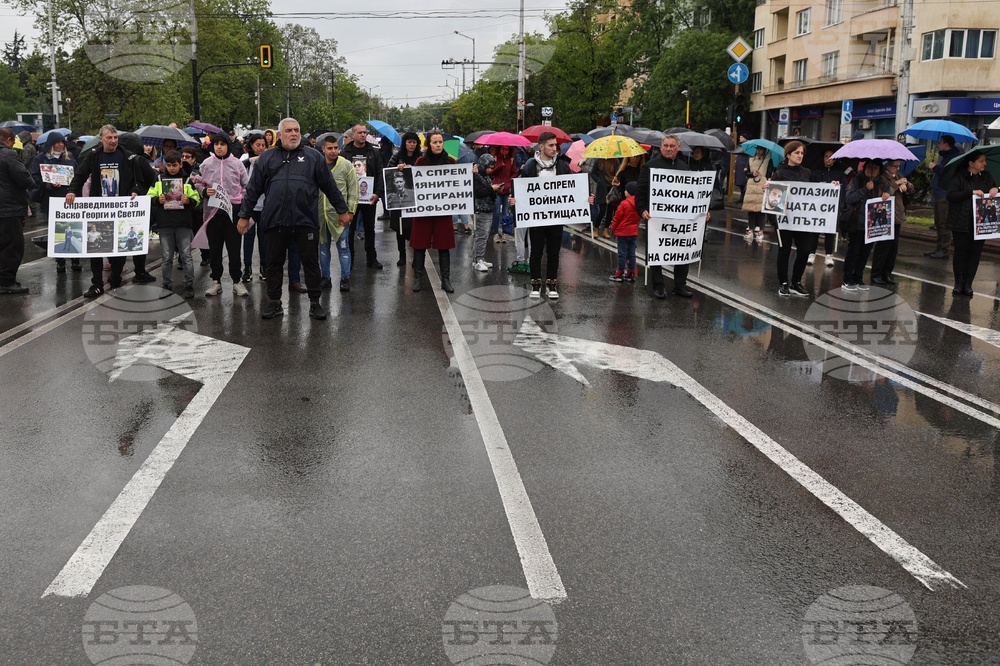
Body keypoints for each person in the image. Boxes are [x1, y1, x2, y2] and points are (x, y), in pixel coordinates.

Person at [236, 118, 350, 320]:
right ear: (280, 135)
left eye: (297, 130)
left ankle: (315, 303)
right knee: (274, 263)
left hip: (304, 220)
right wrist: (244, 215)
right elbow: (253, 190)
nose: (294, 134)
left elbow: (330, 187)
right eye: (289, 130)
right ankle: (275, 302)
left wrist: (343, 210)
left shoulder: (313, 157)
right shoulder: (267, 158)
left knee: (310, 263)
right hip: (274, 221)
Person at [66, 125, 157, 298]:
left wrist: (135, 191)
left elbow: (138, 181)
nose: (113, 141)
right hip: (99, 210)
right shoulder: (93, 156)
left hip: (120, 210)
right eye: (109, 138)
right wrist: (71, 191)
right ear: (101, 139)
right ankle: (97, 284)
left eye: (115, 137)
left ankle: (115, 279)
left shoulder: (127, 156)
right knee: (97, 248)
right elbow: (80, 176)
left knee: (118, 248)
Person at [513, 131, 594, 299]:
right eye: (551, 145)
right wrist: (515, 201)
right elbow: (521, 188)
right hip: (536, 218)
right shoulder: (530, 165)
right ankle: (535, 285)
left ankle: (552, 285)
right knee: (536, 252)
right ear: (541, 146)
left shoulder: (562, 166)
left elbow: (572, 187)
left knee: (554, 252)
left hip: (556, 217)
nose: (554, 148)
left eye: (555, 145)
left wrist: (585, 199)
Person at [635, 134, 695, 299]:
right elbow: (640, 192)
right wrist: (642, 209)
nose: (669, 149)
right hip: (656, 219)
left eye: (672, 146)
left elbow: (693, 194)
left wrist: (702, 211)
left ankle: (680, 285)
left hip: (680, 219)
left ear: (678, 148)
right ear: (661, 148)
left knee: (683, 250)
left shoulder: (685, 168)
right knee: (657, 251)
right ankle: (658, 286)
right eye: (666, 146)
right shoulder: (650, 166)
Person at [193, 133, 249, 298]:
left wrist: (242, 206)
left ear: (228, 146)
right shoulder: (206, 164)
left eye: (222, 144)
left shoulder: (237, 164)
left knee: (234, 248)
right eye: (216, 144)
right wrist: (204, 191)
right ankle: (216, 281)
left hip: (234, 211)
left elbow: (246, 186)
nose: (219, 147)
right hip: (213, 212)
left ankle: (237, 281)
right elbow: (198, 182)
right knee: (215, 249)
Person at [410, 131, 457, 293]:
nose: (438, 145)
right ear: (428, 145)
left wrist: (470, 173)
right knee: (419, 244)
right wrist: (403, 170)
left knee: (444, 244)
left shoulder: (450, 162)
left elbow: (459, 184)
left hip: (443, 210)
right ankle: (418, 278)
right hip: (424, 210)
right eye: (435, 142)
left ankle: (446, 279)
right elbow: (411, 181)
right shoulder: (421, 162)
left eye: (440, 142)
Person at [148, 151, 200, 298]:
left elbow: (197, 200)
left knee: (186, 256)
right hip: (165, 223)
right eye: (169, 165)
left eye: (174, 165)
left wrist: (188, 201)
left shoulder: (187, 181)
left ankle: (189, 285)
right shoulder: (159, 179)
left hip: (184, 223)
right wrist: (158, 200)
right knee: (166, 257)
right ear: (165, 165)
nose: (171, 168)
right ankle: (166, 285)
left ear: (180, 164)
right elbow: (149, 196)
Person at [947, 150, 998, 296]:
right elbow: (951, 195)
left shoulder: (986, 177)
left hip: (980, 223)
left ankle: (968, 283)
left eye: (985, 161)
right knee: (961, 252)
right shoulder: (959, 177)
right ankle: (958, 283)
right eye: (981, 161)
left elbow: (993, 191)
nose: (984, 164)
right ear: (971, 163)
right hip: (961, 221)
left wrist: (995, 188)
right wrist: (970, 192)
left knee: (975, 253)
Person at [30, 132, 80, 274]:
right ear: (51, 144)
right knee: (56, 231)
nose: (60, 145)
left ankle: (75, 259)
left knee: (73, 227)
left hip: (69, 199)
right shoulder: (41, 158)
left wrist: (73, 188)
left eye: (62, 142)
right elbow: (35, 177)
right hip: (51, 199)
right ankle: (60, 261)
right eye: (57, 142)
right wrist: (48, 185)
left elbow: (76, 175)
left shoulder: (69, 158)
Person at [770, 141, 815, 297]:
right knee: (784, 251)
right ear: (788, 155)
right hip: (784, 219)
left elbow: (817, 192)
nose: (800, 156)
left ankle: (796, 282)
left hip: (802, 220)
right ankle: (783, 283)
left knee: (804, 251)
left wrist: (832, 186)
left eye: (802, 153)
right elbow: (772, 197)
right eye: (797, 153)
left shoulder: (807, 173)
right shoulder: (779, 173)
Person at [317, 133, 358, 292]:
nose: (333, 151)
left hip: (340, 215)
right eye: (330, 148)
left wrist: (351, 212)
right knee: (323, 247)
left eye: (336, 148)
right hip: (321, 215)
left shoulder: (346, 165)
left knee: (343, 247)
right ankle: (325, 277)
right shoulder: (317, 164)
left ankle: (345, 278)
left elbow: (353, 190)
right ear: (323, 149)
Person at [340, 123, 385, 269]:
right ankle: (350, 258)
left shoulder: (373, 151)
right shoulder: (345, 152)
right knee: (350, 230)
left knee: (369, 229)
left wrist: (377, 193)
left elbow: (379, 173)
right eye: (360, 133)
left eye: (365, 132)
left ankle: (372, 258)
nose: (363, 135)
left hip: (369, 197)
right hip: (351, 198)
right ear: (353, 135)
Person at [842, 159, 889, 291]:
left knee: (865, 253)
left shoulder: (882, 182)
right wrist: (864, 189)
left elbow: (887, 197)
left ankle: (858, 276)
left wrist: (886, 195)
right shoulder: (857, 180)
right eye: (869, 167)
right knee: (853, 251)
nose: (871, 170)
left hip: (873, 224)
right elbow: (849, 198)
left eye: (874, 167)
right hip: (857, 222)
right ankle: (847, 278)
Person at [0, 127, 33, 294]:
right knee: (13, 245)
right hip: (9, 207)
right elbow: (24, 178)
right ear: (9, 140)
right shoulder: (8, 154)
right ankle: (7, 281)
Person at [871, 159, 909, 286]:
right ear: (888, 165)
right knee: (883, 246)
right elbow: (885, 193)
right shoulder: (882, 177)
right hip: (885, 215)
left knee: (893, 248)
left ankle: (887, 273)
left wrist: (906, 185)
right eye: (895, 166)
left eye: (899, 166)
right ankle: (876, 273)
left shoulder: (899, 175)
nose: (897, 168)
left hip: (897, 215)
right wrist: (896, 184)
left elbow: (912, 189)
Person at [239, 132, 268, 282]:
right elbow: (239, 171)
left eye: (263, 145)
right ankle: (247, 267)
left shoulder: (268, 159)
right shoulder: (244, 159)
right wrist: (251, 161)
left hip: (264, 205)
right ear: (251, 145)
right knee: (248, 238)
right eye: (258, 145)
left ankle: (264, 266)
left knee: (264, 239)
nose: (261, 148)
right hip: (249, 206)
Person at [808, 150, 845, 268]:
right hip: (817, 206)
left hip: (832, 208)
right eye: (826, 156)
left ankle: (829, 255)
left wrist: (838, 186)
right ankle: (811, 253)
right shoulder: (816, 172)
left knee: (830, 232)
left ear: (835, 159)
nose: (828, 159)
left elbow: (844, 190)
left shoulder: (839, 174)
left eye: (831, 157)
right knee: (814, 231)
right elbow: (809, 187)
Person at [928, 135, 961, 259]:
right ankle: (939, 247)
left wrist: (935, 167)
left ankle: (944, 249)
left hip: (944, 194)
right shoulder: (945, 156)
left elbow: (947, 174)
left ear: (947, 144)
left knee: (944, 223)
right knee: (938, 222)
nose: (938, 145)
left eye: (940, 143)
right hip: (938, 194)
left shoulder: (952, 158)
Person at [471, 152, 499, 272]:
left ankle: (478, 258)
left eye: (492, 168)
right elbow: (478, 192)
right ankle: (478, 260)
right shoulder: (477, 177)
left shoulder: (485, 177)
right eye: (489, 167)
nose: (490, 170)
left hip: (488, 208)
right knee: (481, 236)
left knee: (484, 235)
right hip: (481, 209)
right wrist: (491, 189)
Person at [609, 181, 639, 282]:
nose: (624, 192)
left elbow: (617, 218)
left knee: (622, 253)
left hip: (622, 232)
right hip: (633, 232)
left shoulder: (624, 204)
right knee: (632, 253)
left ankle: (619, 272)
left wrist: (612, 228)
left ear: (629, 192)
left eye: (626, 190)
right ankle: (630, 272)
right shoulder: (639, 204)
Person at [741, 146, 771, 242]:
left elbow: (770, 173)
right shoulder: (750, 160)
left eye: (761, 149)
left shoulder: (768, 160)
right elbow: (746, 172)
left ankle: (760, 231)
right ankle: (750, 229)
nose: (759, 151)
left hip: (762, 185)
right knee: (751, 209)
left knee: (761, 210)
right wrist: (751, 174)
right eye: (757, 149)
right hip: (751, 185)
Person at [490, 145, 515, 243]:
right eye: (503, 149)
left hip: (506, 188)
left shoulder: (511, 160)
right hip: (497, 187)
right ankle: (495, 232)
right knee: (496, 211)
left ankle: (505, 232)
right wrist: (499, 166)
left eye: (506, 149)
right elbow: (491, 172)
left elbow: (514, 173)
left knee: (505, 211)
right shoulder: (495, 158)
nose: (505, 151)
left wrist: (509, 183)